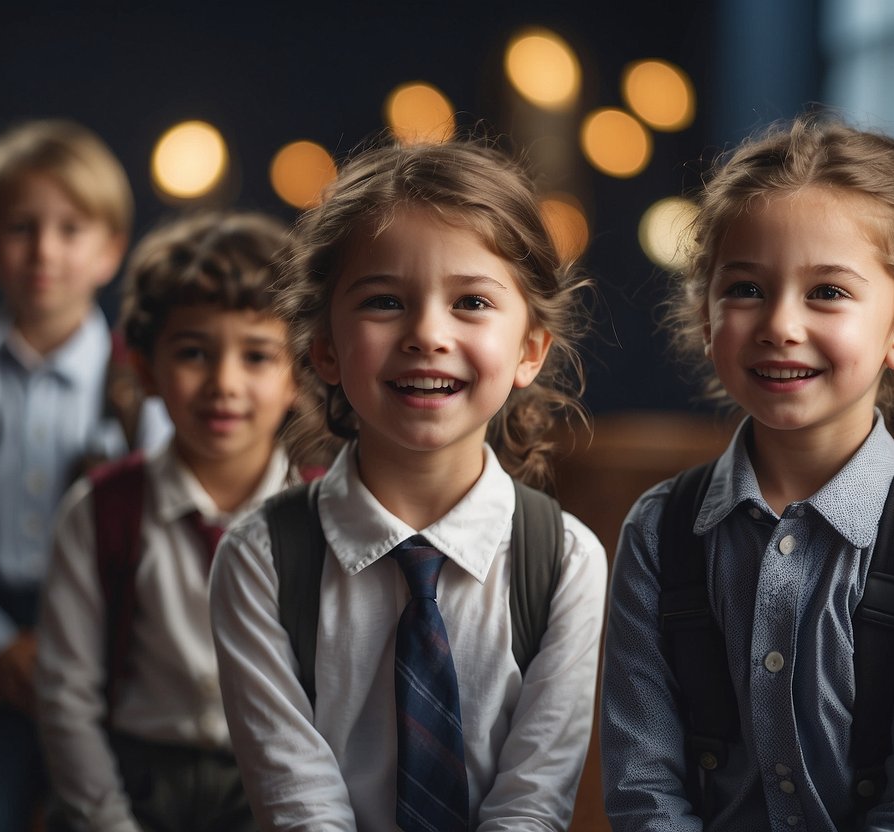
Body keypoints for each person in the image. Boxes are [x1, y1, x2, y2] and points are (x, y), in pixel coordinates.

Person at [600, 114, 894, 831]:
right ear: (704, 319)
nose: (780, 323)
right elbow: (641, 786)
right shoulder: (659, 529)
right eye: (746, 289)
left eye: (827, 293)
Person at [208, 139, 608, 830]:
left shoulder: (566, 562)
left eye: (472, 302)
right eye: (385, 301)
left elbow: (531, 803)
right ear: (325, 350)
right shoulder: (258, 561)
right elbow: (298, 805)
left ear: (529, 351)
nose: (427, 333)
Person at [0, 119, 170, 832]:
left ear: (110, 251)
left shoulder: (139, 388)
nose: (44, 250)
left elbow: (162, 518)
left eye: (70, 228)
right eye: (20, 227)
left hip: (106, 655)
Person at [34, 210, 304, 832]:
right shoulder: (99, 511)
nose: (224, 383)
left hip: (277, 786)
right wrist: (108, 821)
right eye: (192, 353)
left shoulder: (326, 516)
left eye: (258, 356)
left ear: (301, 372)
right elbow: (66, 700)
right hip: (135, 785)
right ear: (146, 368)